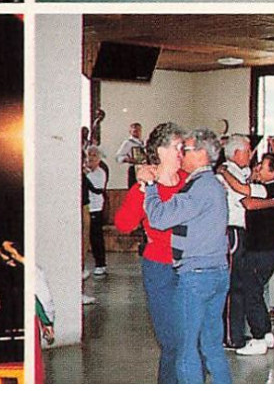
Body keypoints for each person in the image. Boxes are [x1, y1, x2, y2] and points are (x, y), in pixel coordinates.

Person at [142, 127, 231, 385]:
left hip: (197, 277)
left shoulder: (200, 188)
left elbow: (159, 218)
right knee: (212, 346)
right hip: (216, 273)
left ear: (202, 153)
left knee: (185, 349)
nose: (181, 154)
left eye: (186, 149)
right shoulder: (212, 185)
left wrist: (149, 185)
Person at [114, 122, 188, 382]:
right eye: (178, 147)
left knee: (193, 339)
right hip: (160, 269)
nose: (183, 152)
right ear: (161, 150)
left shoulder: (190, 182)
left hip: (192, 268)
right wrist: (142, 188)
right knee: (172, 341)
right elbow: (124, 224)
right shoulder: (146, 186)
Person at [225, 151, 274, 357]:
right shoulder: (272, 190)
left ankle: (259, 337)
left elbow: (245, 198)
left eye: (262, 166)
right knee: (256, 290)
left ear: (273, 172)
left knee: (251, 292)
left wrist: (224, 171)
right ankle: (266, 332)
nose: (257, 168)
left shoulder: (269, 187)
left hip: (261, 250)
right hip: (268, 249)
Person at [216, 135, 253, 348]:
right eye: (247, 151)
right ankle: (230, 336)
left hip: (242, 232)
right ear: (236, 153)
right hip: (232, 232)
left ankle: (235, 331)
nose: (250, 155)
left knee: (240, 285)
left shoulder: (239, 172)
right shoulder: (225, 176)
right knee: (232, 286)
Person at [82, 146, 109, 277]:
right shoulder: (85, 172)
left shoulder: (100, 172)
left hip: (95, 208)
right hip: (84, 208)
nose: (90, 158)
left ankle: (100, 264)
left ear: (98, 159)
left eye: (94, 156)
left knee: (96, 238)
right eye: (89, 155)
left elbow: (97, 189)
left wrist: (85, 177)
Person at [115, 122, 146, 188]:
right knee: (134, 189)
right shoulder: (128, 143)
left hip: (143, 169)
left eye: (139, 130)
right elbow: (118, 157)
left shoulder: (143, 142)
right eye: (135, 130)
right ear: (130, 131)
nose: (137, 132)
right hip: (134, 169)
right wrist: (128, 159)